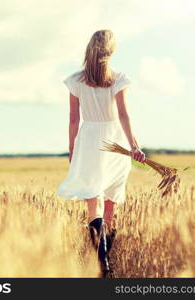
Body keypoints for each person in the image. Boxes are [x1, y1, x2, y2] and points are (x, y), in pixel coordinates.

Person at [57, 29, 145, 277]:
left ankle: (102, 263)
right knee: (110, 203)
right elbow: (124, 115)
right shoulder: (118, 79)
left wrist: (73, 149)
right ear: (112, 51)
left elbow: (74, 119)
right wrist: (134, 146)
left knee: (92, 201)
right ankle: (105, 261)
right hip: (115, 141)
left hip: (89, 141)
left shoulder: (76, 80)